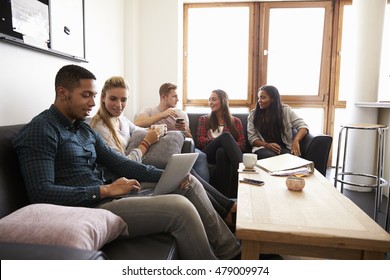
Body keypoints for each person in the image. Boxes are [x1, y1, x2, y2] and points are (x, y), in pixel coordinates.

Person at [13, 65, 241, 260]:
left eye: (94, 95)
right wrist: (104, 190)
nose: (93, 103)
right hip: (90, 206)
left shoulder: (81, 128)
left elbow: (121, 164)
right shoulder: (41, 131)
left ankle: (232, 252)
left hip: (110, 194)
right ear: (62, 93)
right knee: (180, 209)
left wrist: (168, 175)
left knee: (188, 182)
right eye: (86, 95)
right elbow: (41, 193)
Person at [89, 76, 237, 225]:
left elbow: (140, 129)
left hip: (136, 170)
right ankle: (227, 211)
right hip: (124, 180)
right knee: (186, 180)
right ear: (102, 97)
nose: (119, 105)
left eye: (124, 100)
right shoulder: (101, 128)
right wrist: (147, 142)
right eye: (113, 99)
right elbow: (123, 166)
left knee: (188, 174)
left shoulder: (122, 120)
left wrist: (158, 130)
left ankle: (227, 208)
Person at [134, 83, 210, 182]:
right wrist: (162, 115)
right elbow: (137, 123)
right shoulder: (149, 110)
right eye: (174, 96)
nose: (177, 99)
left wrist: (183, 129)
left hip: (180, 147)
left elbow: (190, 139)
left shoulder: (181, 114)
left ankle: (201, 191)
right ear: (163, 97)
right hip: (156, 149)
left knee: (201, 156)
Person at [196, 89, 245, 198]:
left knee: (222, 152)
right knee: (226, 137)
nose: (211, 103)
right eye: (209, 100)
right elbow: (200, 141)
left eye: (214, 99)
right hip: (208, 153)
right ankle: (244, 171)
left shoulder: (236, 121)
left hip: (223, 155)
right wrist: (219, 142)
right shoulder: (204, 119)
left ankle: (225, 202)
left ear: (223, 101)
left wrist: (225, 146)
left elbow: (242, 144)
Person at [247, 85, 309, 159]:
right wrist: (267, 145)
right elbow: (252, 139)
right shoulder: (253, 115)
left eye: (263, 98)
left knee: (290, 158)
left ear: (272, 99)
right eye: (259, 98)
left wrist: (296, 140)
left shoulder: (286, 110)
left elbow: (303, 126)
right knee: (270, 157)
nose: (259, 100)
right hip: (263, 148)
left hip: (284, 147)